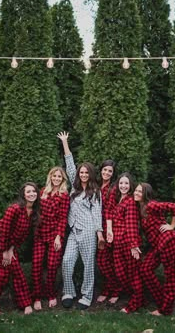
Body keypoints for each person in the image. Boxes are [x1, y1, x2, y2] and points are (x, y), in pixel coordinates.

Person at [57, 131, 104, 310]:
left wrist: (99, 235)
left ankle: (86, 295)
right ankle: (68, 292)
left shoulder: (95, 192)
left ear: (90, 174)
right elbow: (70, 165)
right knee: (67, 261)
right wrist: (65, 142)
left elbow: (97, 213)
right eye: (81, 172)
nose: (83, 174)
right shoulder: (74, 188)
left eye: (86, 172)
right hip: (73, 231)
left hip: (88, 232)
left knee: (88, 266)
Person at [0, 182, 39, 315]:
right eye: (28, 192)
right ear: (23, 195)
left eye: (34, 191)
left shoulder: (33, 212)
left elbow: (20, 236)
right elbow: (5, 231)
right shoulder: (14, 209)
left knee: (17, 271)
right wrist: (5, 251)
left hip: (9, 245)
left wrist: (11, 249)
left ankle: (25, 304)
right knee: (3, 274)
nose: (32, 194)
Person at [134, 183, 175, 316]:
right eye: (136, 191)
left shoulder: (151, 205)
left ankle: (165, 310)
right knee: (145, 269)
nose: (136, 193)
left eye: (139, 191)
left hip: (169, 241)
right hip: (158, 245)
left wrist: (172, 226)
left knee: (170, 277)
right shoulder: (141, 207)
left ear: (146, 194)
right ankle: (163, 302)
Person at [32, 167, 70, 310]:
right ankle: (36, 297)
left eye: (59, 177)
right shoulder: (42, 192)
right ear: (50, 177)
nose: (56, 178)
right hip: (40, 234)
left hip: (55, 235)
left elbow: (63, 218)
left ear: (62, 179)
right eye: (54, 176)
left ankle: (51, 294)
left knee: (52, 266)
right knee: (36, 265)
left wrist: (58, 237)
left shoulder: (64, 195)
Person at [106, 172, 143, 313]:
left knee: (134, 275)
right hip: (117, 243)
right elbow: (109, 211)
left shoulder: (131, 201)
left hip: (128, 244)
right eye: (121, 183)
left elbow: (132, 224)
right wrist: (109, 230)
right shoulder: (118, 199)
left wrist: (133, 245)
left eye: (126, 183)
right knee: (121, 273)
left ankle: (135, 303)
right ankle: (138, 298)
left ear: (131, 185)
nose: (123, 186)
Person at [96, 160, 120, 304]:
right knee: (103, 262)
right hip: (97, 226)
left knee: (106, 261)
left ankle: (114, 291)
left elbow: (109, 210)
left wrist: (108, 230)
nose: (106, 173)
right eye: (105, 170)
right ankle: (107, 289)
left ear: (113, 173)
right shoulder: (98, 185)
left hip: (108, 227)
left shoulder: (113, 188)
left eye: (110, 171)